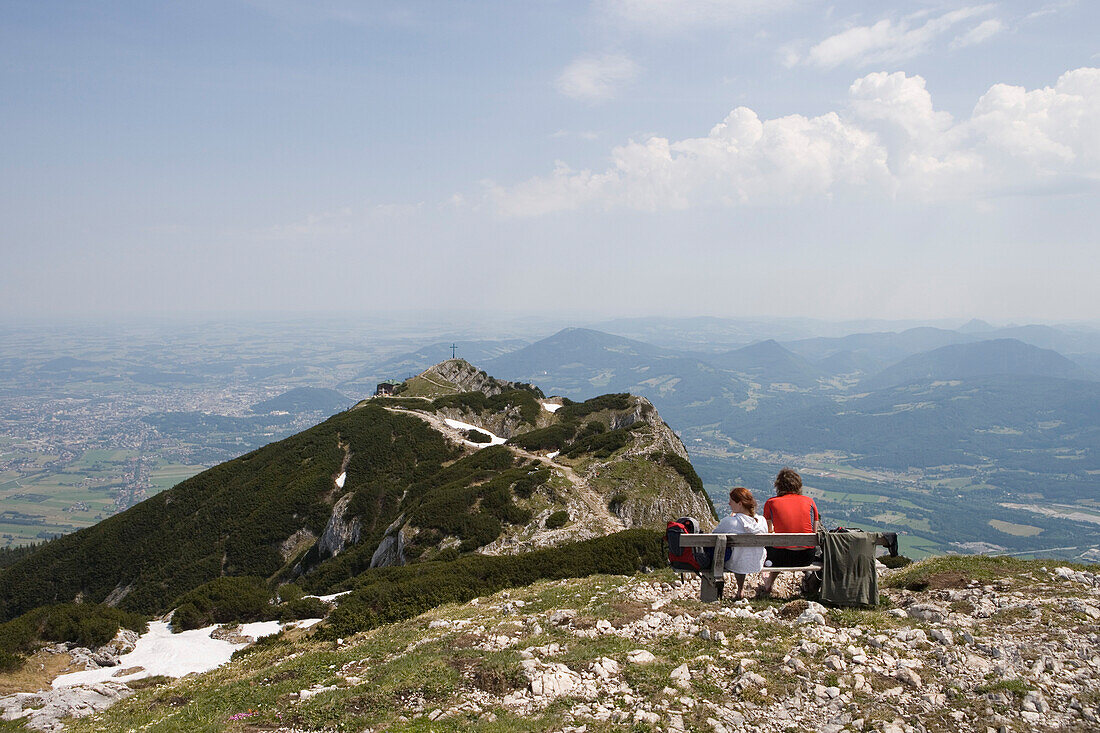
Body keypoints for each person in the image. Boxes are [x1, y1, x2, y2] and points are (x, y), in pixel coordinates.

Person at [760, 467, 820, 596]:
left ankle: (769, 583)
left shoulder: (771, 503)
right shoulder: (810, 502)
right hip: (806, 558)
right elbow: (814, 532)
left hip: (779, 558)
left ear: (778, 486)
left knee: (775, 545)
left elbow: (768, 532)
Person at [712, 486, 768, 600]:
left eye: (731, 501)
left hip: (736, 563)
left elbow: (713, 535)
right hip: (757, 562)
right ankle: (740, 590)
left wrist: (732, 518)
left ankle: (739, 590)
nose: (729, 503)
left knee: (739, 554)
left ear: (740, 504)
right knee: (743, 553)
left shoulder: (729, 522)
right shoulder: (762, 521)